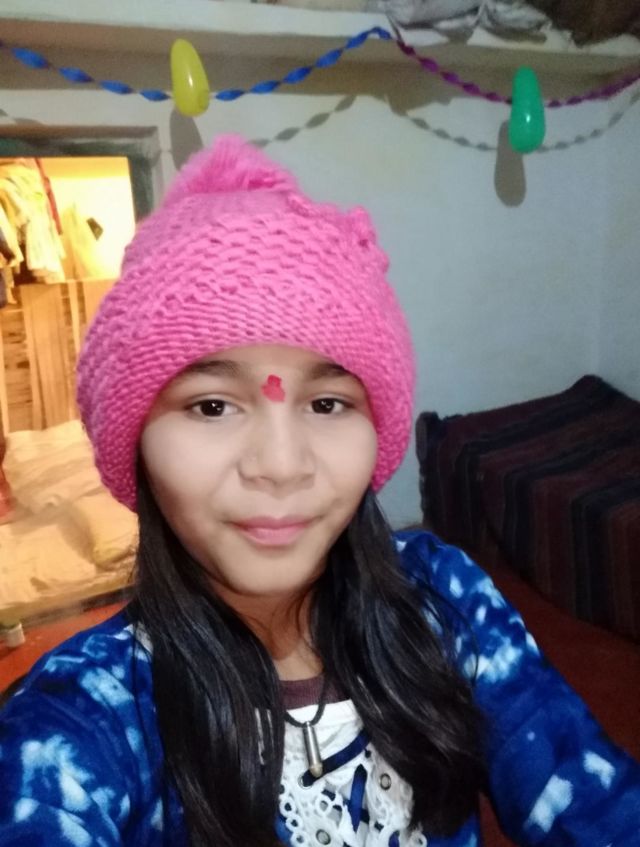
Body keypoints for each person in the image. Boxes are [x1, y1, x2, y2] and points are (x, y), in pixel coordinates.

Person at [0, 135, 638, 847]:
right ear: (136, 443)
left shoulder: (444, 599)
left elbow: (594, 801)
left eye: (328, 403)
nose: (281, 465)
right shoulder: (83, 717)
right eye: (212, 405)